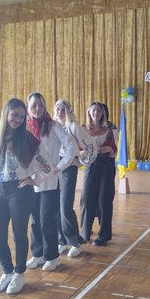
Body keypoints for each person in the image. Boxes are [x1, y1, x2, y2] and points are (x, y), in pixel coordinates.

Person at [0, 97, 52, 294]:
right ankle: (7, 272)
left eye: (21, 117)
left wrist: (34, 180)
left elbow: (47, 164)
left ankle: (19, 274)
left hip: (20, 191)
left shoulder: (28, 139)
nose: (17, 119)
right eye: (14, 115)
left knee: (19, 234)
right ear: (6, 113)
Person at [25, 92, 79, 271]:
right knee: (35, 220)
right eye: (34, 105)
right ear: (28, 107)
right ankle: (38, 254)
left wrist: (60, 166)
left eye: (41, 105)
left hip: (50, 181)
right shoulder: (25, 127)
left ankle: (52, 257)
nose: (37, 109)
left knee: (47, 219)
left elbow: (72, 146)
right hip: (31, 181)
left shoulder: (53, 125)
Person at [53, 99, 98, 257]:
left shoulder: (73, 126)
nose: (60, 112)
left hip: (68, 170)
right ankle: (62, 241)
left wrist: (78, 159)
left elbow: (91, 146)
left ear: (68, 111)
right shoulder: (52, 126)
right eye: (57, 108)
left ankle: (75, 243)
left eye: (63, 109)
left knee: (65, 207)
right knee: (55, 207)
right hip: (54, 170)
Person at [79, 101, 117, 246]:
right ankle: (84, 233)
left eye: (99, 111)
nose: (96, 113)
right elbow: (79, 150)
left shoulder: (109, 128)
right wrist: (100, 149)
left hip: (107, 165)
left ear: (103, 113)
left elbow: (113, 150)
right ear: (89, 112)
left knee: (104, 200)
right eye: (93, 110)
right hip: (91, 164)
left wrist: (96, 150)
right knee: (86, 198)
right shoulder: (83, 129)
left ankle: (104, 236)